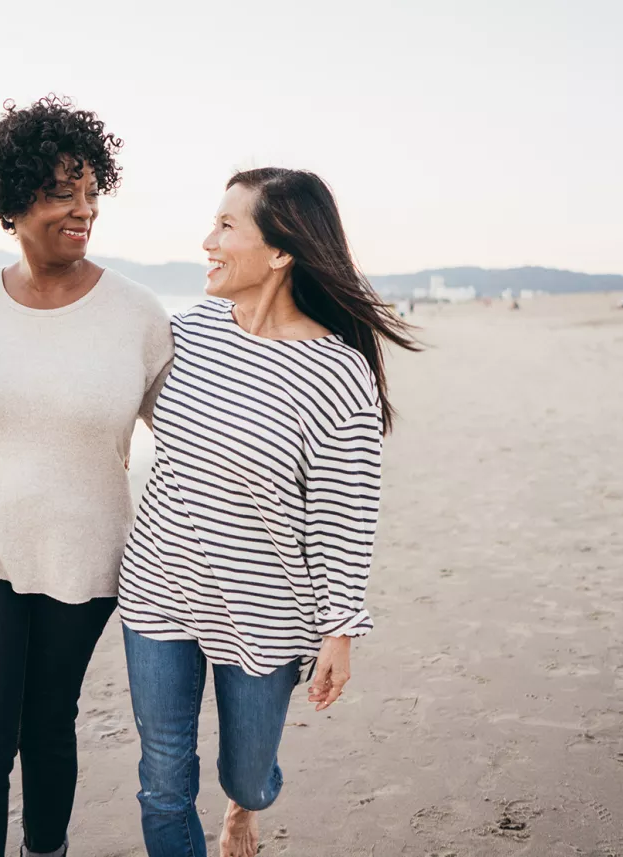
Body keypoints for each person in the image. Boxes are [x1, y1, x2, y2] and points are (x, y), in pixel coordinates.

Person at [117, 168, 418, 857]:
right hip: (159, 588)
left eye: (226, 226)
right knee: (163, 781)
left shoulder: (337, 373)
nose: (207, 241)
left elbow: (345, 514)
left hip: (266, 611)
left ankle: (245, 807)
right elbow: (97, 392)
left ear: (281, 251)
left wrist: (341, 628)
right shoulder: (185, 334)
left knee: (247, 775)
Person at [0, 96, 173, 857]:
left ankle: (46, 849)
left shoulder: (137, 313)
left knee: (47, 719)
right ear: (12, 200)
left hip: (86, 548)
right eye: (63, 192)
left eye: (92, 192)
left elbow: (189, 442)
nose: (83, 210)